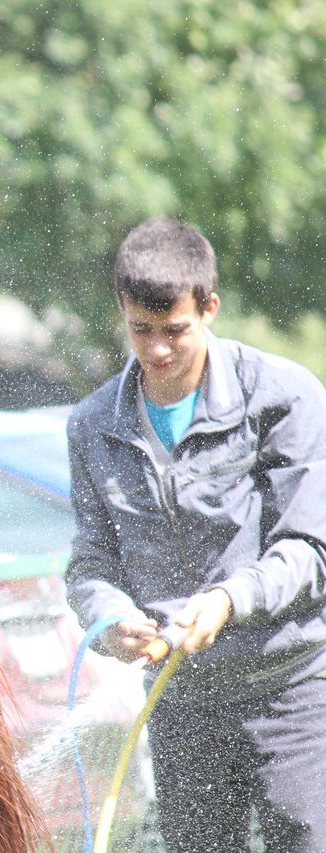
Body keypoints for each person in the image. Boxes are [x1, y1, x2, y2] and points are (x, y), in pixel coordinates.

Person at [65, 216, 326, 852]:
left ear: (209, 308)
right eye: (141, 330)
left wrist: (230, 601)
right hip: (180, 706)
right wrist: (112, 620)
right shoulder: (93, 424)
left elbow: (311, 550)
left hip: (292, 693)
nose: (157, 350)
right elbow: (91, 565)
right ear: (122, 310)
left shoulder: (285, 397)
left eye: (175, 330)